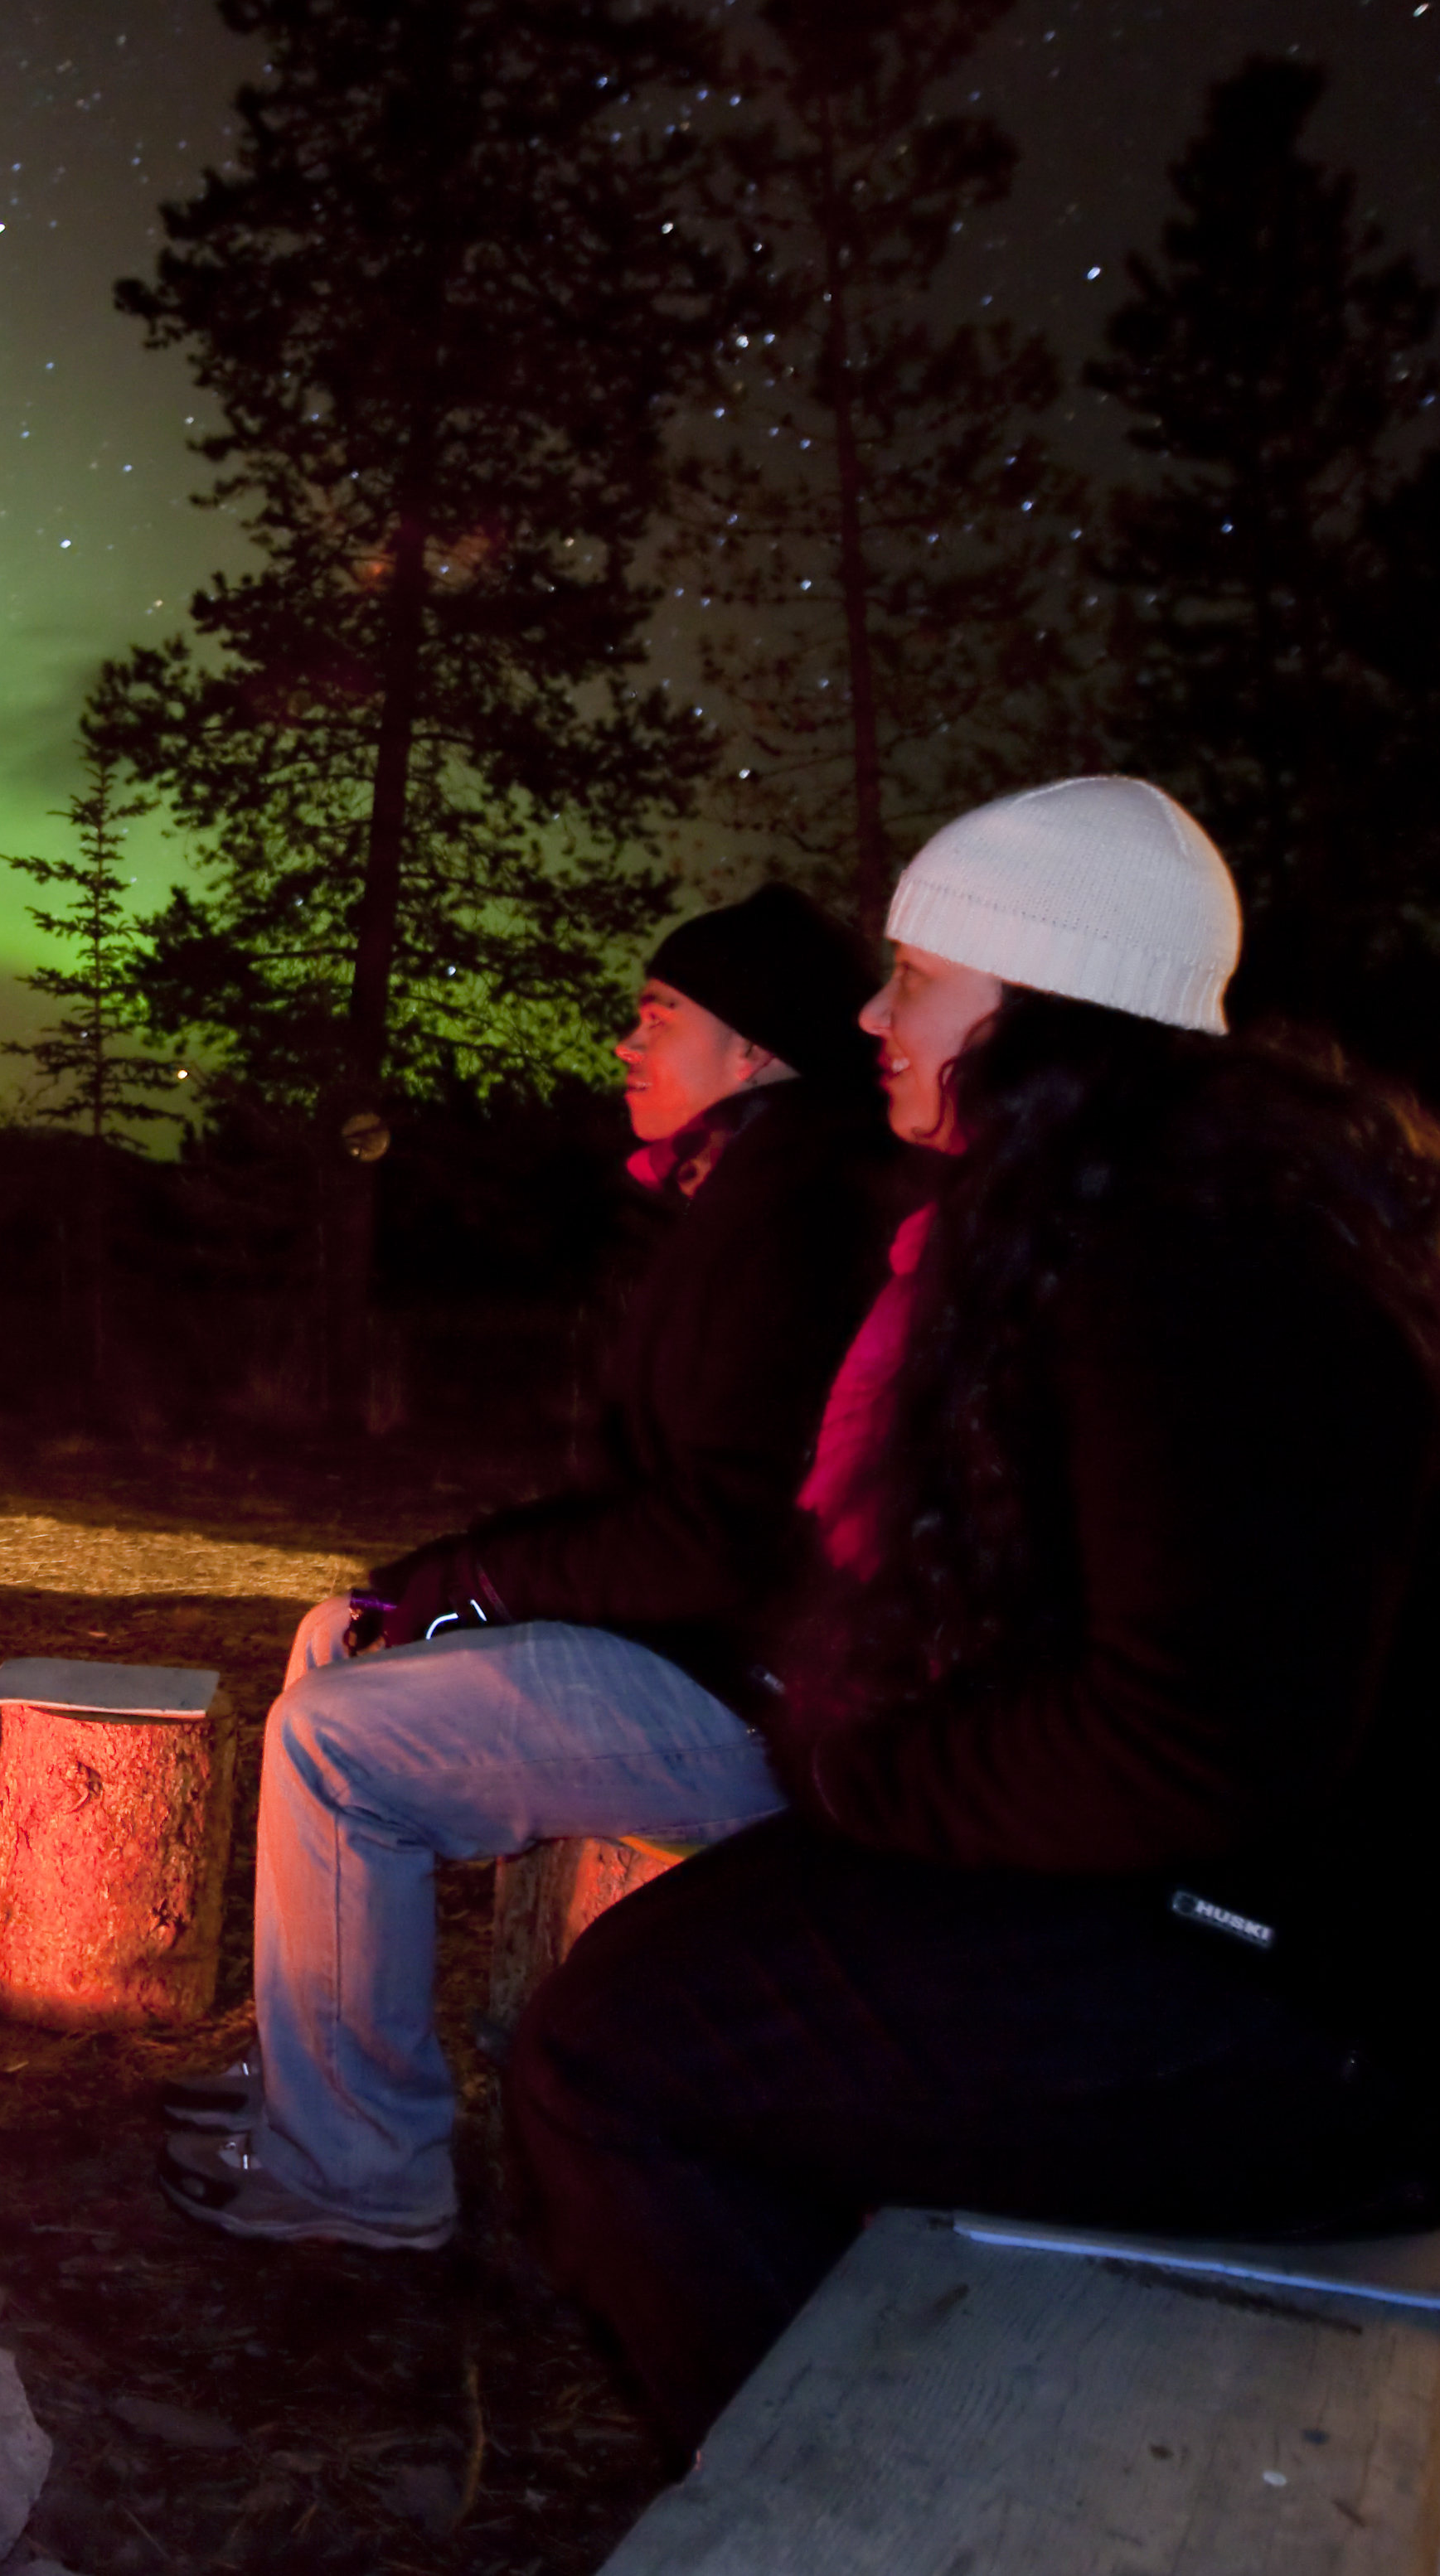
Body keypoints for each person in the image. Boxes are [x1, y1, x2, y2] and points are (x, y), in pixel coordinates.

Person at [505, 775, 1440, 2458]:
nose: (875, 1014)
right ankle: (912, 2410)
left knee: (617, 2052)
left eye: (916, 977)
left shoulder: (1199, 1250)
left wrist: (854, 1775)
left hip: (1372, 2017)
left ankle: (855, 2508)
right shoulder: (1144, 1198)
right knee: (697, 1980)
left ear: (1037, 1000)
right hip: (1267, 1923)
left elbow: (1195, 1732)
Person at [159, 884, 909, 2252]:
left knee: (337, 1744)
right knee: (335, 1642)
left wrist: (470, 1585)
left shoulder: (800, 1225)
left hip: (763, 1699)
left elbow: (715, 1534)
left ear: (752, 1052)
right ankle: (316, 2091)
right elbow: (657, 1501)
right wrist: (427, 1582)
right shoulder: (746, 1193)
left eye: (657, 1016)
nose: (627, 1044)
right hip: (711, 1648)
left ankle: (359, 2173)